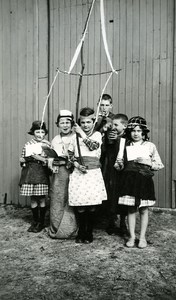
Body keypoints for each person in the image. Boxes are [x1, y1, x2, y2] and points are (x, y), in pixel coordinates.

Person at [114, 116, 164, 248]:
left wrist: (148, 162)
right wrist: (119, 164)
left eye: (139, 131)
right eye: (133, 131)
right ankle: (131, 237)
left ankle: (142, 238)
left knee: (143, 210)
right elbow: (118, 166)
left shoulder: (150, 146)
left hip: (144, 181)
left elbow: (159, 165)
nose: (136, 133)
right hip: (129, 181)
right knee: (131, 209)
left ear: (144, 132)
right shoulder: (125, 145)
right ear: (129, 132)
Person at [68, 107, 107, 243]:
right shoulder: (74, 137)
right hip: (79, 172)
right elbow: (70, 155)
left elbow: (93, 147)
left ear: (93, 122)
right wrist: (76, 165)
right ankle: (81, 230)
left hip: (93, 173)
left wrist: (82, 134)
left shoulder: (97, 135)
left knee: (91, 204)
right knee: (81, 204)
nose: (85, 125)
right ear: (80, 122)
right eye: (83, 122)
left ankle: (89, 231)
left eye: (88, 122)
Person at [47, 110, 77, 239]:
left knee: (72, 197)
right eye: (62, 123)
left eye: (67, 122)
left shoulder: (76, 137)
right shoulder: (55, 139)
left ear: (72, 124)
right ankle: (57, 227)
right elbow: (50, 157)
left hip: (74, 171)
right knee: (58, 197)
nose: (65, 125)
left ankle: (71, 228)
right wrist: (51, 164)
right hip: (59, 173)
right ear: (58, 124)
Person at [19, 121, 51, 233]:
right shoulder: (28, 145)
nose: (40, 134)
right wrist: (22, 161)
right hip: (30, 174)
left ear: (45, 133)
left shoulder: (47, 145)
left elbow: (50, 160)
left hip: (41, 174)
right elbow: (23, 159)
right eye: (37, 131)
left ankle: (41, 222)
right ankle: (35, 221)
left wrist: (44, 157)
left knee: (41, 198)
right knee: (33, 199)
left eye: (42, 132)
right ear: (33, 132)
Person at [102, 114, 129, 236]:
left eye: (116, 125)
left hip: (125, 172)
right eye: (113, 124)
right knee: (111, 195)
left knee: (124, 196)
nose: (114, 127)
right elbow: (106, 152)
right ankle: (111, 222)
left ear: (125, 126)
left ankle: (123, 223)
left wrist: (118, 140)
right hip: (112, 171)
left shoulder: (128, 138)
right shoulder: (110, 136)